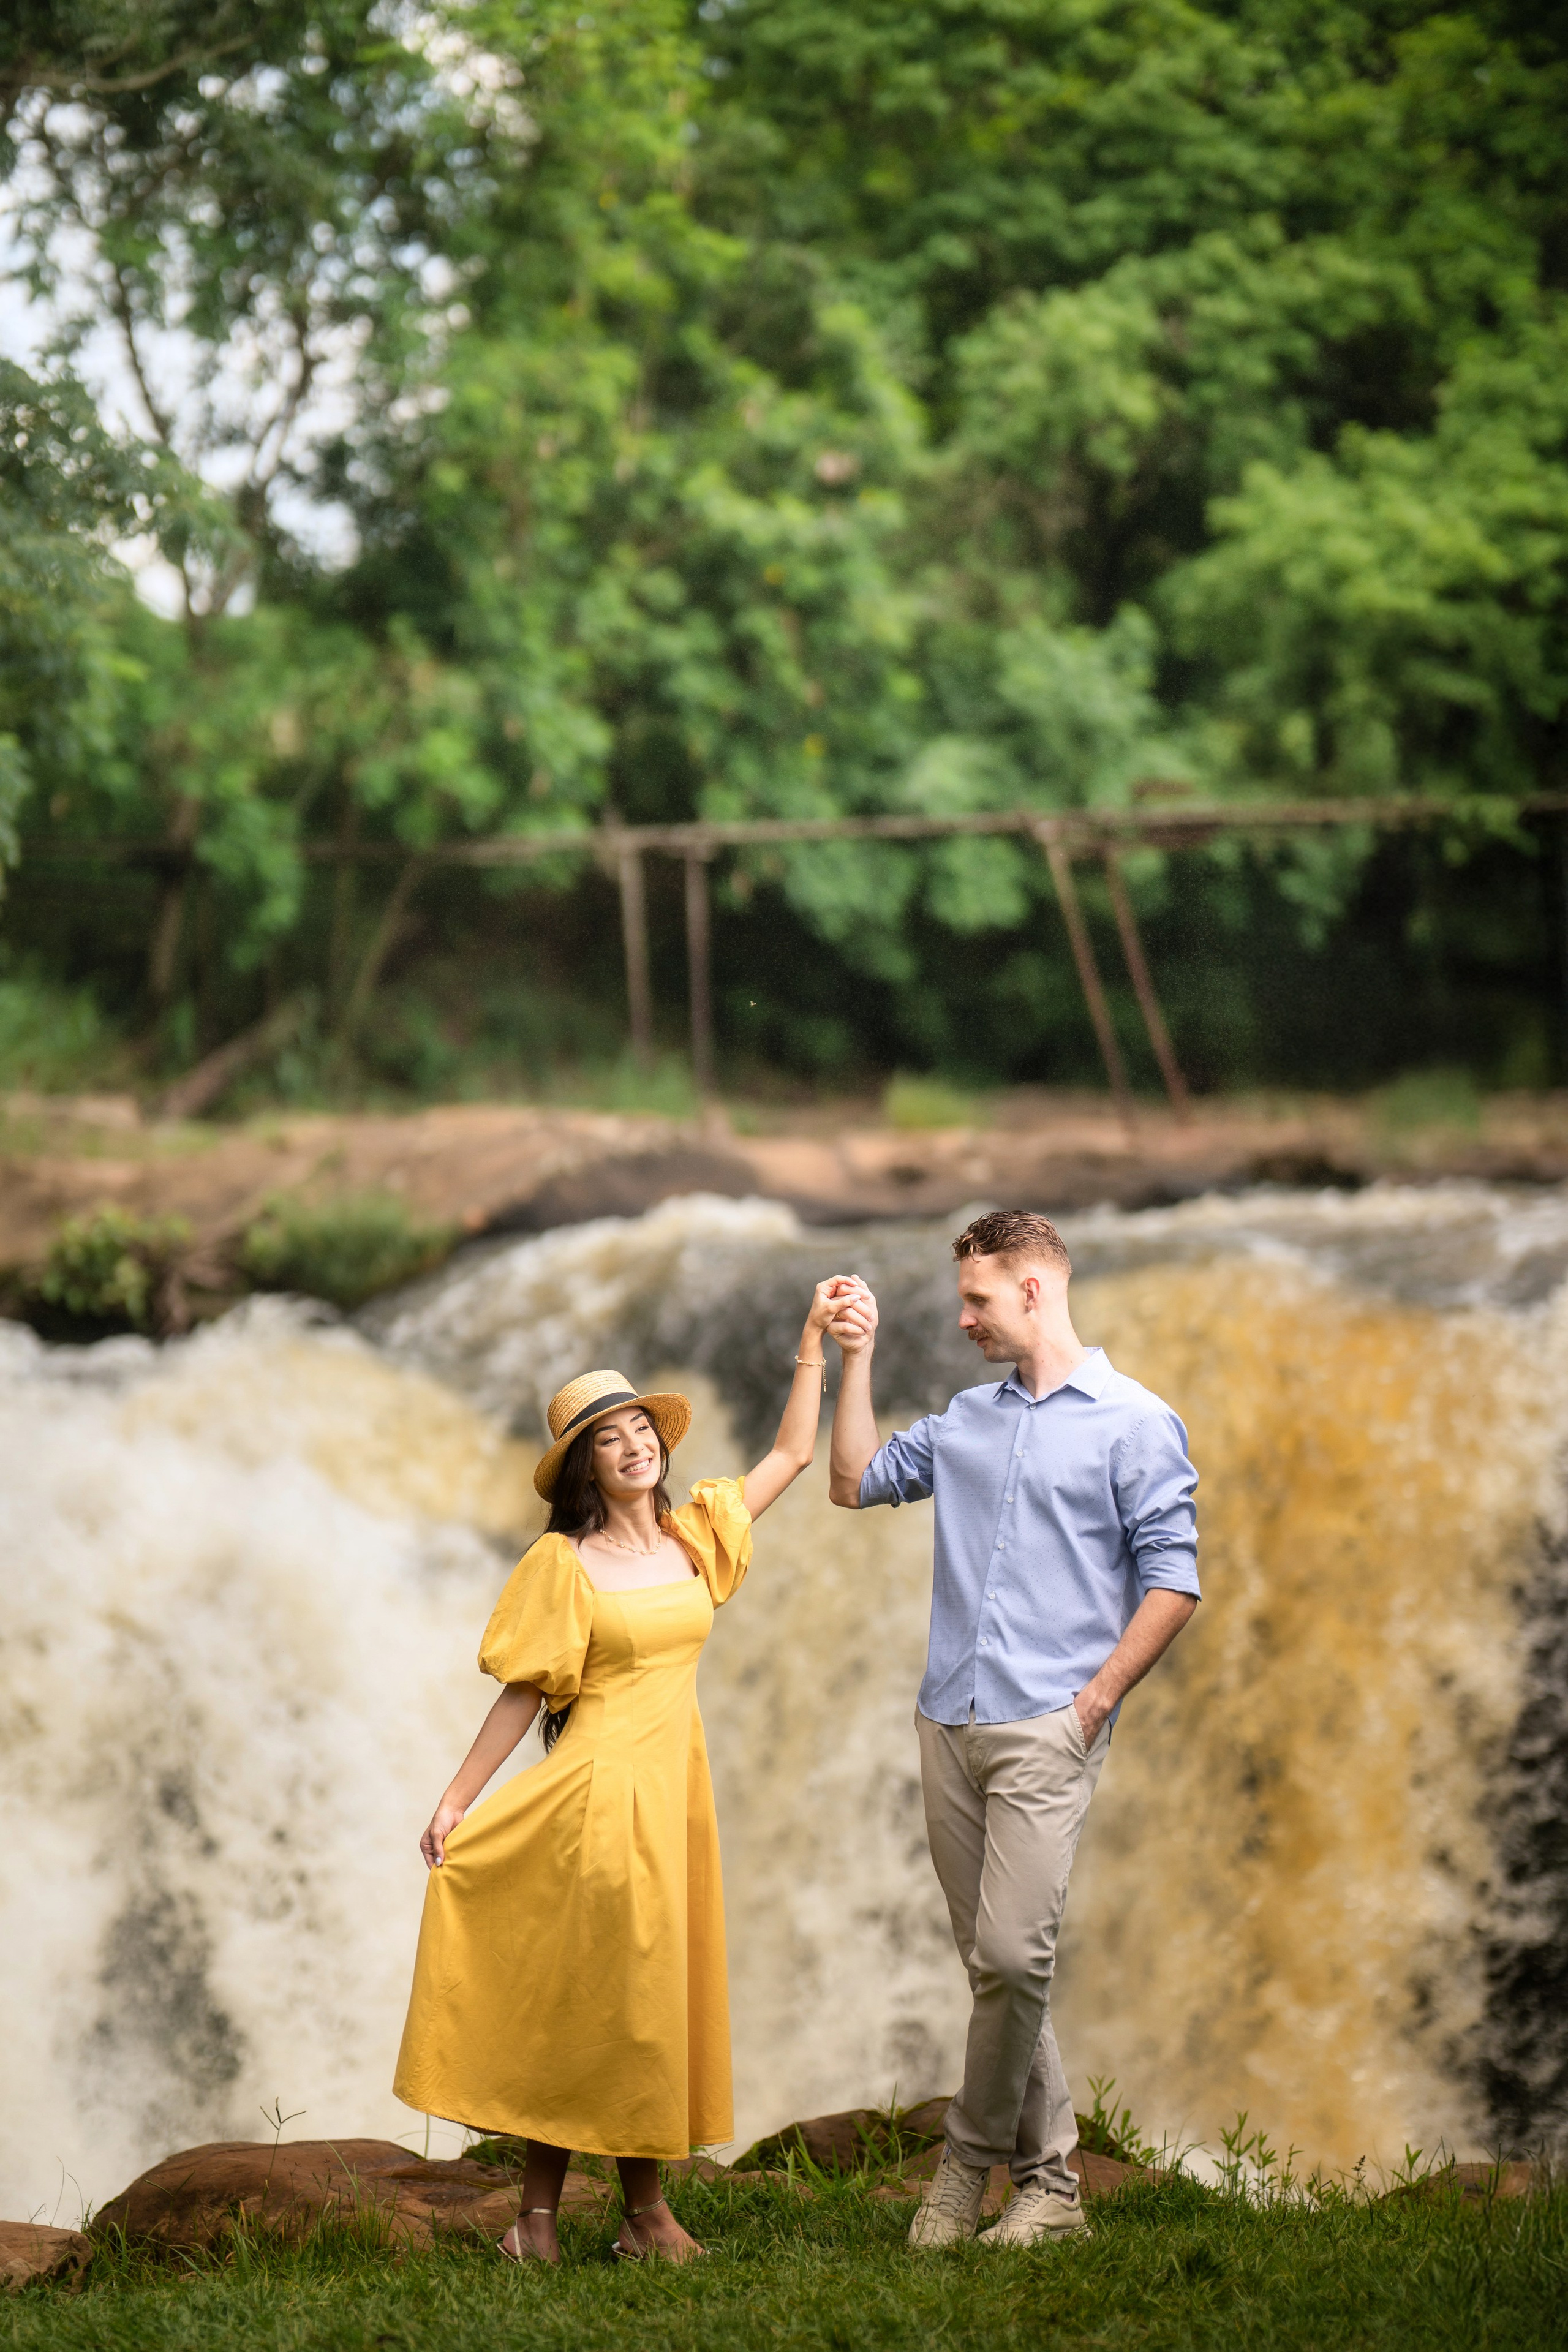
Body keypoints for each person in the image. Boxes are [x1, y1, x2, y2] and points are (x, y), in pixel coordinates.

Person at [393, 1278, 857, 2265]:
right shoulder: (565, 1565)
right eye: (611, 1438)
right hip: (595, 1798)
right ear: (586, 1468)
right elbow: (524, 1693)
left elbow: (792, 1454)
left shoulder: (697, 1534)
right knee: (613, 2001)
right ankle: (632, 2221)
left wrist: (814, 1338)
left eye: (642, 1426)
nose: (636, 1443)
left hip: (673, 1795)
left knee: (624, 2003)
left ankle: (548, 2226)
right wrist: (456, 1797)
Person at [827, 1208, 1199, 2251]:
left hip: (1049, 1726)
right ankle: (1052, 2192)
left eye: (978, 1300)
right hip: (947, 1719)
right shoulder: (966, 1418)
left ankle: (961, 2177)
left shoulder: (1134, 1421)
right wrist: (855, 1358)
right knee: (999, 1969)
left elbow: (1173, 1582)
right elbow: (853, 1482)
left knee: (1008, 1952)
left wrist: (1093, 1705)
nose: (963, 1320)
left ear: (1034, 1290)